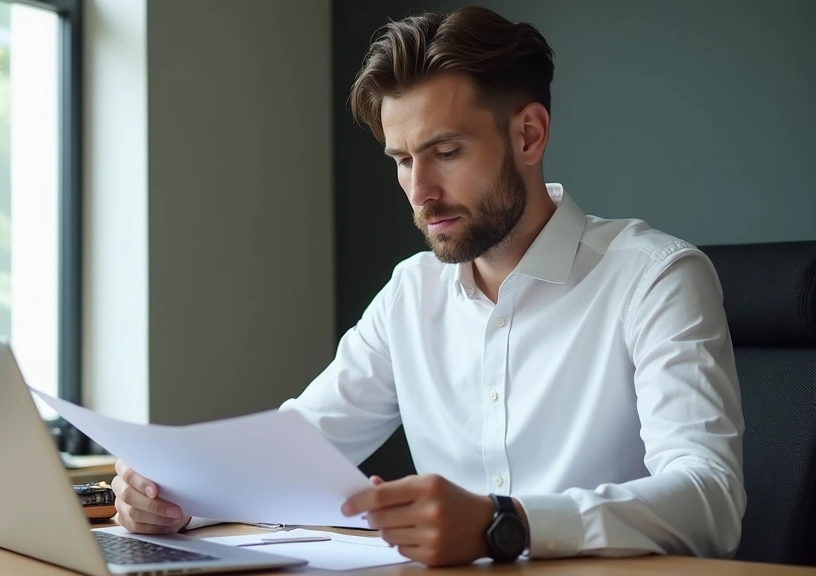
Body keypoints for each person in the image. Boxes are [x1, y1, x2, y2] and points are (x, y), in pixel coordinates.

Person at [110, 5, 745, 568]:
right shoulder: (411, 293)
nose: (420, 193)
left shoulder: (653, 277)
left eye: (445, 152)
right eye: (402, 161)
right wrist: (175, 499)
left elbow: (709, 498)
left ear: (528, 134)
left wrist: (505, 524)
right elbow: (295, 446)